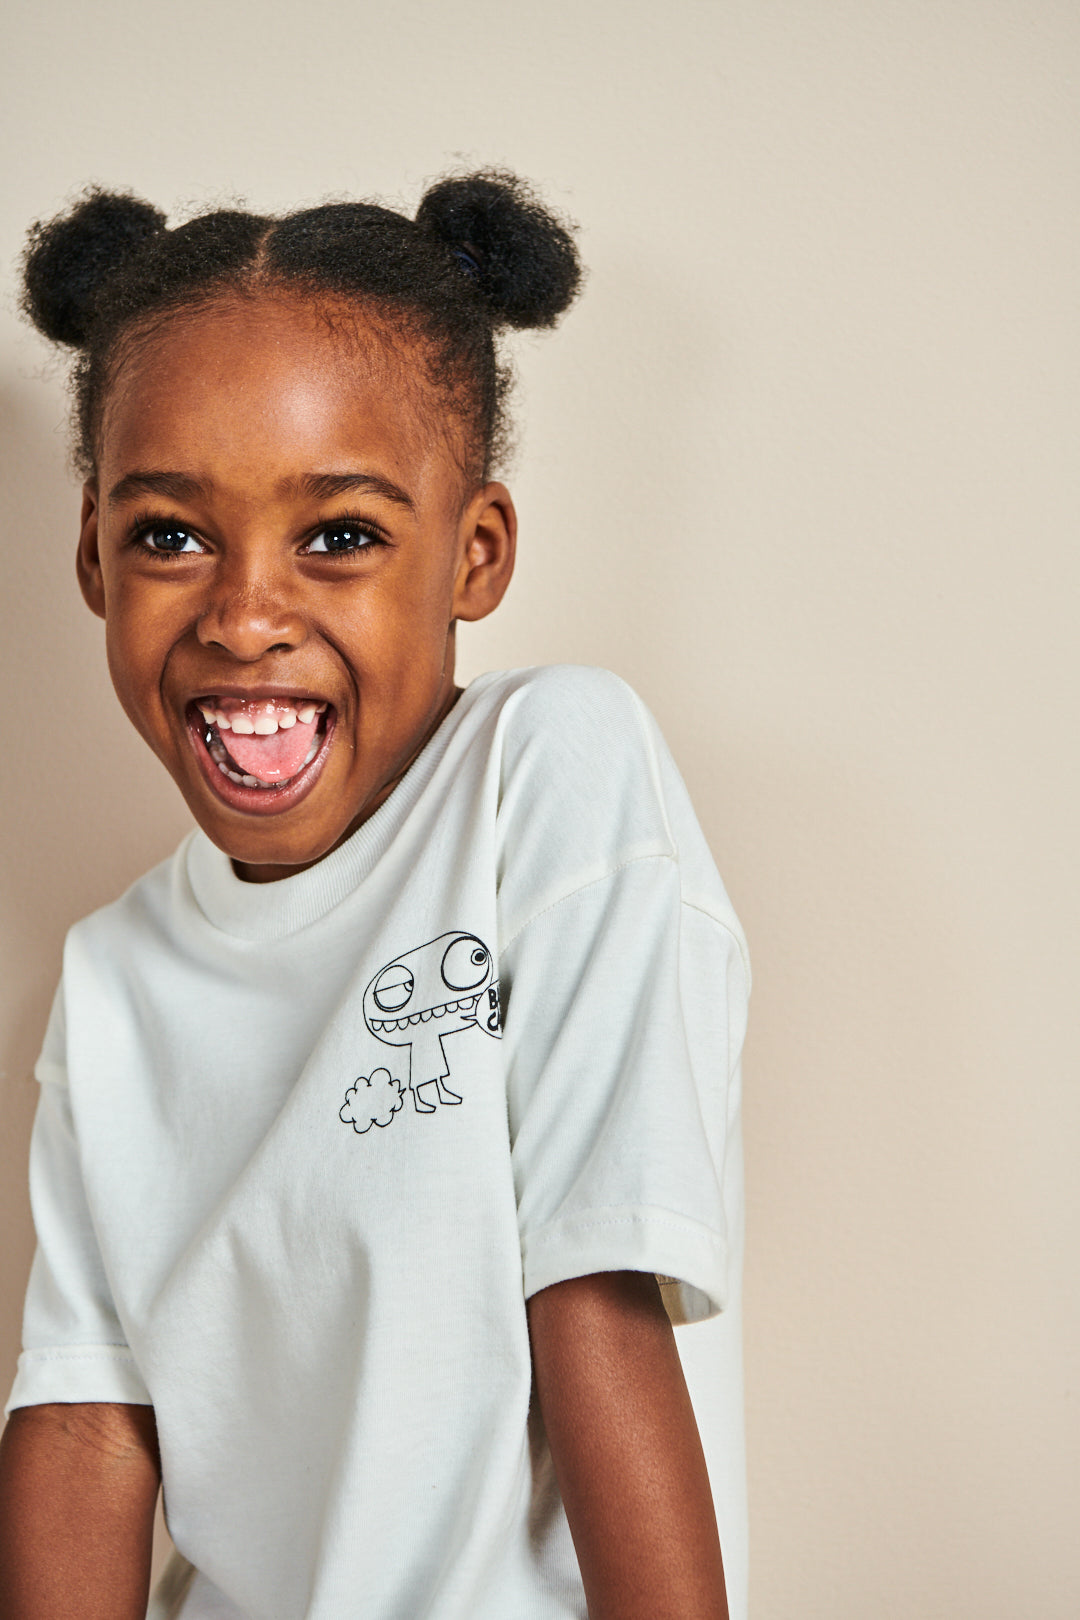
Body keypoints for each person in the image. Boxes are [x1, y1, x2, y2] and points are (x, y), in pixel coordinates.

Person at [0, 171, 750, 1620]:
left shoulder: (550, 771)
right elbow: (89, 1424)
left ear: (474, 554)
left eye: (338, 534)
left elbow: (593, 1288)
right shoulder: (111, 978)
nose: (245, 613)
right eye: (171, 533)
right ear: (92, 551)